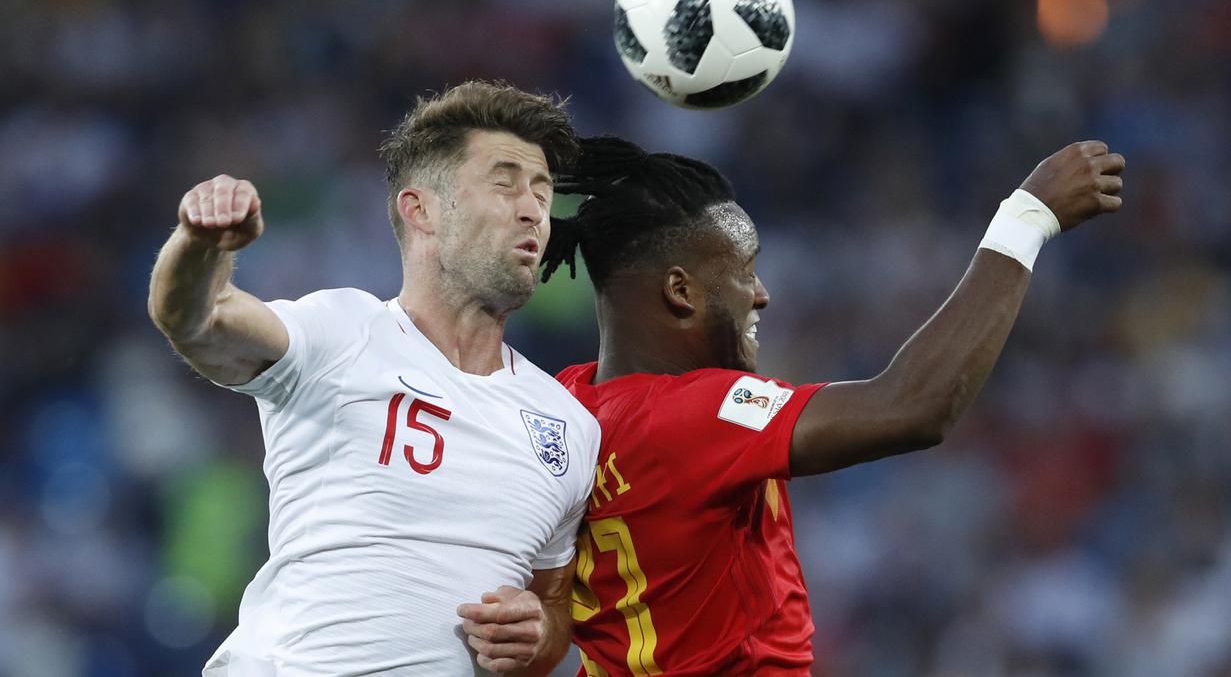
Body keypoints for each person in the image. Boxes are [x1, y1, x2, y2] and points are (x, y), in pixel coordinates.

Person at [540, 136, 1125, 675]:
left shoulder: (565, 405)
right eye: (744, 271)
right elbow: (913, 406)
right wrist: (1024, 220)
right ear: (681, 291)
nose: (762, 293)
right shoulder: (697, 414)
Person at [148, 81, 601, 676]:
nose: (533, 210)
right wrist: (200, 243)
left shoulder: (568, 427)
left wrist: (538, 632)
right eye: (504, 181)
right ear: (422, 209)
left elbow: (552, 610)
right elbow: (195, 318)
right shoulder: (343, 332)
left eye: (542, 193)